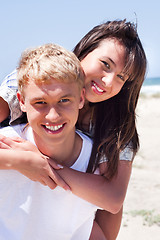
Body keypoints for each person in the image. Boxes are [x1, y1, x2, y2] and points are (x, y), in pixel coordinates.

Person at [0, 19, 147, 239]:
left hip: (76, 203)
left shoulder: (116, 125)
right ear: (85, 51)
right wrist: (21, 161)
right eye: (105, 64)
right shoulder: (38, 77)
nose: (107, 81)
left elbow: (113, 199)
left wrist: (44, 164)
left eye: (120, 77)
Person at [0, 43, 108, 240]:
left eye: (64, 100)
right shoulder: (7, 143)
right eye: (40, 102)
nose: (53, 116)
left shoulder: (99, 159)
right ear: (22, 101)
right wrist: (18, 161)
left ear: (81, 98)